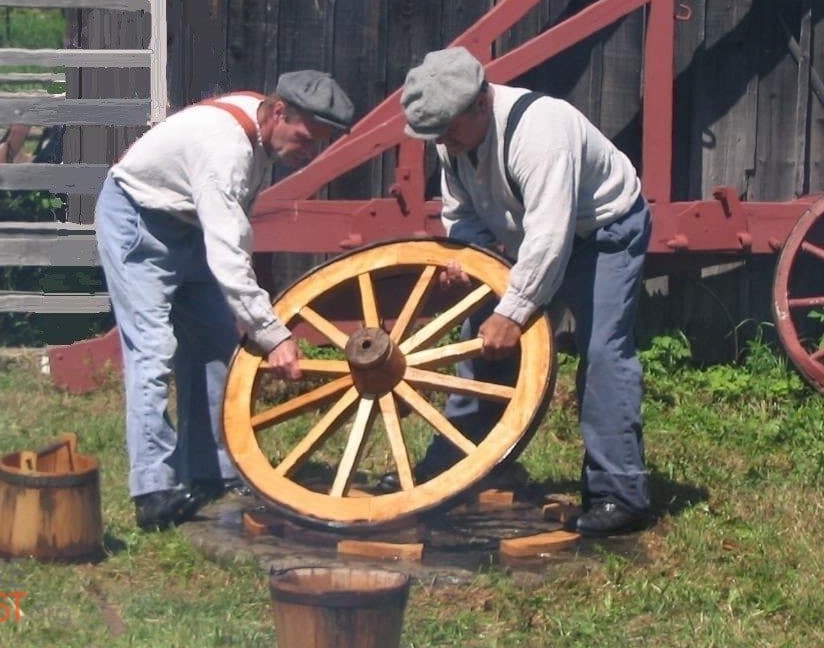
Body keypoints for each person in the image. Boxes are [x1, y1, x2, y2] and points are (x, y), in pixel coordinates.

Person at [397, 46, 652, 537]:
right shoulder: (451, 135)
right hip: (533, 238)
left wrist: (513, 312)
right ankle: (460, 466)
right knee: (482, 344)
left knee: (602, 352)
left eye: (447, 127)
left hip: (604, 232)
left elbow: (550, 237)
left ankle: (620, 495)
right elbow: (462, 214)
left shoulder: (542, 133)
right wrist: (465, 257)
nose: (443, 140)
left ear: (479, 103)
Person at [95, 71, 354, 530]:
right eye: (306, 139)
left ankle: (211, 471)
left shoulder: (259, 128)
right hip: (139, 219)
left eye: (319, 144)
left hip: (189, 225)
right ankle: (153, 490)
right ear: (279, 112)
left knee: (216, 349)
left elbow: (232, 232)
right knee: (153, 351)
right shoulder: (226, 149)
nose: (309, 152)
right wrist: (273, 334)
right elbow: (229, 256)